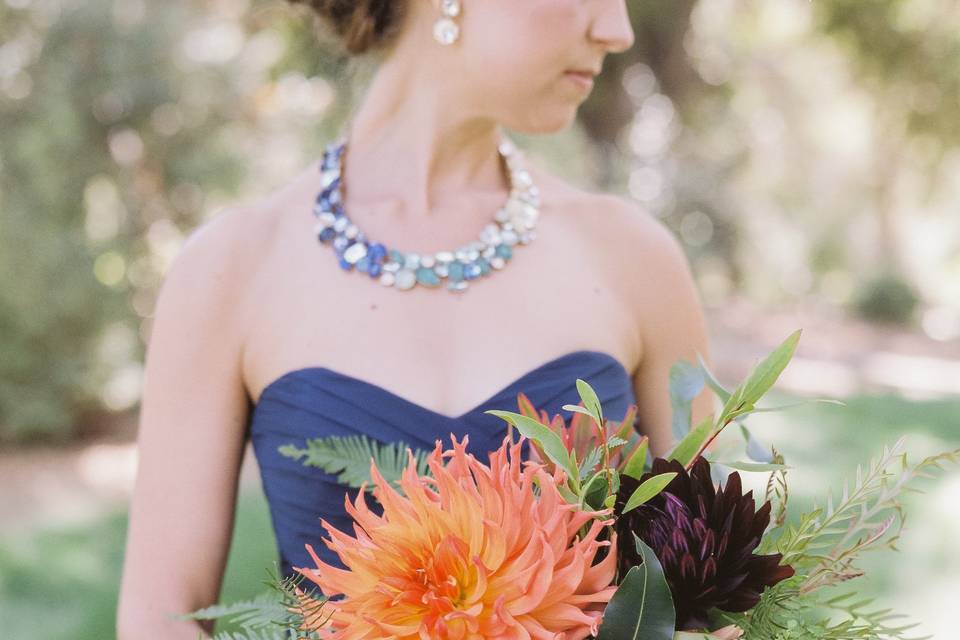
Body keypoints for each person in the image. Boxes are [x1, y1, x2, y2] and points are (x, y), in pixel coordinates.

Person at [116, 0, 726, 638]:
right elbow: (162, 620)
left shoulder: (634, 257)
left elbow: (714, 592)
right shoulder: (228, 269)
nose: (616, 29)